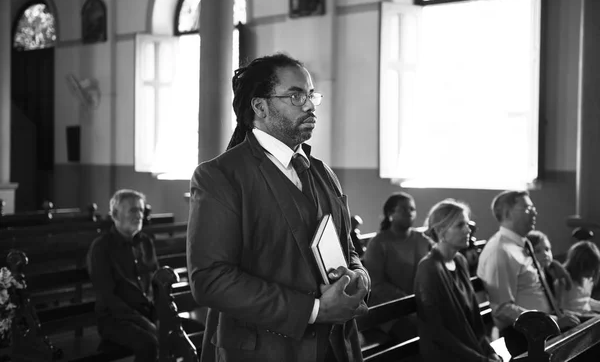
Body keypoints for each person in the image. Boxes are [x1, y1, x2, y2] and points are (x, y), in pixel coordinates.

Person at [186, 53, 370, 362]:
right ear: (260, 107)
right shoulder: (221, 176)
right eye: (296, 95)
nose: (310, 105)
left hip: (337, 348)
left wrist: (359, 276)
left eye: (311, 95)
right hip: (265, 351)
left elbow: (347, 247)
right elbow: (210, 279)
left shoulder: (324, 173)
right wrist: (314, 310)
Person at [477, 190, 580, 358]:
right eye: (527, 208)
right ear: (508, 213)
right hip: (525, 335)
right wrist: (550, 321)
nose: (534, 211)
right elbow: (502, 309)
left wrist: (553, 264)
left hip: (543, 327)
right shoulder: (500, 250)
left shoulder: (521, 244)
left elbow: (530, 281)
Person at [414, 199, 502, 362]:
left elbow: (475, 321)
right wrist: (480, 359)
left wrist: (490, 352)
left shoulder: (460, 261)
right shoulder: (429, 268)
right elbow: (438, 332)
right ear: (441, 231)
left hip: (470, 352)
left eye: (468, 224)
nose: (468, 230)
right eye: (460, 225)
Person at [87, 189, 159, 362]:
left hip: (147, 315)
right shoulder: (101, 247)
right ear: (115, 215)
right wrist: (144, 322)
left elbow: (157, 283)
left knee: (191, 330)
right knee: (149, 343)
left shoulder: (146, 242)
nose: (139, 215)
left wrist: (159, 315)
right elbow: (107, 297)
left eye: (141, 210)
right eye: (133, 210)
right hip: (115, 319)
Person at [363, 192, 431, 305]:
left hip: (421, 304)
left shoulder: (423, 240)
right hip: (390, 308)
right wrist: (407, 301)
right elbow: (376, 284)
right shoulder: (378, 243)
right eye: (404, 209)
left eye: (412, 209)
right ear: (390, 213)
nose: (409, 213)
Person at [555, 241, 600, 316]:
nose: (592, 273)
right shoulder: (563, 281)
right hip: (575, 319)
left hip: (589, 315)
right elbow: (561, 310)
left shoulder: (588, 279)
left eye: (594, 269)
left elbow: (585, 300)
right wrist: (584, 316)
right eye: (589, 268)